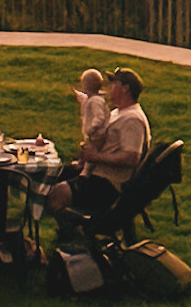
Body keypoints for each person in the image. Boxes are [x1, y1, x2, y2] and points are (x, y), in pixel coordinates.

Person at [47, 67, 148, 215]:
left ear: (125, 88)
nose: (109, 87)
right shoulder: (117, 113)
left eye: (114, 84)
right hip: (96, 173)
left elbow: (131, 158)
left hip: (109, 185)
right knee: (51, 175)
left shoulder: (132, 119)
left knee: (58, 192)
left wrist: (95, 157)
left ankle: (73, 232)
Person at [73, 68, 112, 146]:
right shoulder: (92, 98)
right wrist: (75, 93)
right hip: (92, 137)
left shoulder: (96, 101)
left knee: (89, 152)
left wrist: (92, 129)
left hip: (96, 137)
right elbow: (83, 98)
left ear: (88, 85)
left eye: (83, 83)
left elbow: (99, 117)